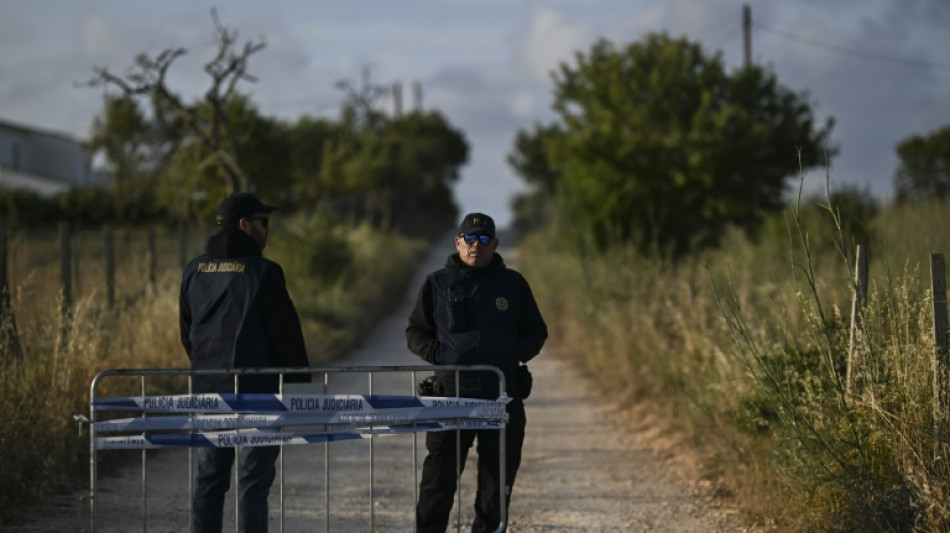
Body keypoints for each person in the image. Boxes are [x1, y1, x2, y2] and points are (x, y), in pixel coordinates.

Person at [406, 212, 548, 533]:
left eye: (484, 239)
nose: (476, 245)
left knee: (495, 492)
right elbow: (415, 332)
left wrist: (512, 355)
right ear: (458, 242)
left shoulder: (513, 284)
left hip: (501, 399)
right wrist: (442, 355)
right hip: (450, 400)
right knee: (437, 486)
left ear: (494, 244)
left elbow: (536, 331)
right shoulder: (437, 283)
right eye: (469, 238)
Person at [180, 192, 310, 533]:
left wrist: (208, 368)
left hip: (209, 392)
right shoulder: (265, 272)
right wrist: (301, 390)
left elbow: (187, 333)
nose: (267, 229)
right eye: (263, 222)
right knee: (252, 484)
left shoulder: (194, 269)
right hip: (258, 395)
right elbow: (287, 338)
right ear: (244, 225)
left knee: (208, 480)